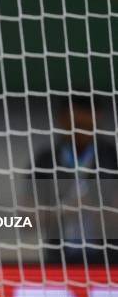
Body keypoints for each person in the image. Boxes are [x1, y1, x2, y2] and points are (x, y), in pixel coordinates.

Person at [32, 94, 118, 264]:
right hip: (59, 260)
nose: (80, 133)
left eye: (86, 126)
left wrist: (97, 207)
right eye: (76, 125)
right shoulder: (47, 159)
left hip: (109, 262)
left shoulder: (111, 157)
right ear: (62, 120)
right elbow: (26, 218)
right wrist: (63, 211)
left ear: (97, 119)